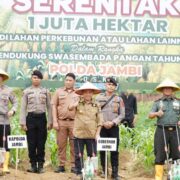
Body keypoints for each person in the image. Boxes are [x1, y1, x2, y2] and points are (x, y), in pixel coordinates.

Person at [20, 70, 52, 173]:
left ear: (41, 79)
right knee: (31, 142)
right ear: (31, 78)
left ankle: (41, 165)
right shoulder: (26, 91)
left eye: (38, 77)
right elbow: (23, 107)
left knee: (41, 143)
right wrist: (23, 122)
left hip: (42, 119)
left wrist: (50, 121)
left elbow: (49, 107)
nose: (36, 79)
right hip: (30, 119)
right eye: (34, 77)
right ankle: (33, 165)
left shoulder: (46, 91)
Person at [69, 81, 103, 177]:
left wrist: (97, 134)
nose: (87, 94)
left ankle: (92, 175)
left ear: (92, 93)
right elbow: (69, 108)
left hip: (91, 135)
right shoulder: (78, 103)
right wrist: (75, 103)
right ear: (82, 93)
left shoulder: (97, 104)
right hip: (79, 134)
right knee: (78, 155)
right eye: (85, 92)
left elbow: (100, 121)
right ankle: (79, 174)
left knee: (92, 155)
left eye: (90, 92)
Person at [148, 78, 180, 180]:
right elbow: (150, 115)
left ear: (172, 90)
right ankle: (159, 178)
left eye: (169, 88)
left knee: (177, 154)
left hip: (176, 130)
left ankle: (175, 177)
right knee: (160, 155)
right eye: (165, 88)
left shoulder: (178, 102)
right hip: (161, 130)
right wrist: (157, 113)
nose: (167, 90)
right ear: (162, 90)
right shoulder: (158, 102)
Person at [96, 77, 125, 180]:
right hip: (102, 128)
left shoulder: (119, 99)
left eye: (112, 85)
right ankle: (104, 171)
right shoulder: (98, 98)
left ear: (115, 87)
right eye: (109, 84)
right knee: (102, 150)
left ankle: (115, 173)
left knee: (114, 151)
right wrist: (103, 123)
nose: (110, 86)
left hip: (113, 128)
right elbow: (95, 113)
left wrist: (113, 122)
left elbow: (122, 114)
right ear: (105, 85)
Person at [52, 73, 78, 173]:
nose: (68, 82)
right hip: (61, 122)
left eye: (70, 80)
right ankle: (61, 165)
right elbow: (54, 106)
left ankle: (73, 165)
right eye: (66, 80)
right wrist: (54, 121)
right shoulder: (58, 92)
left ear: (74, 81)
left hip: (74, 123)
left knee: (73, 145)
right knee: (61, 144)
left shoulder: (78, 93)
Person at [0, 69, 18, 173]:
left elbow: (15, 102)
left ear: (3, 78)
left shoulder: (8, 90)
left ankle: (5, 166)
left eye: (0, 76)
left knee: (5, 143)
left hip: (4, 121)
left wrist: (12, 111)